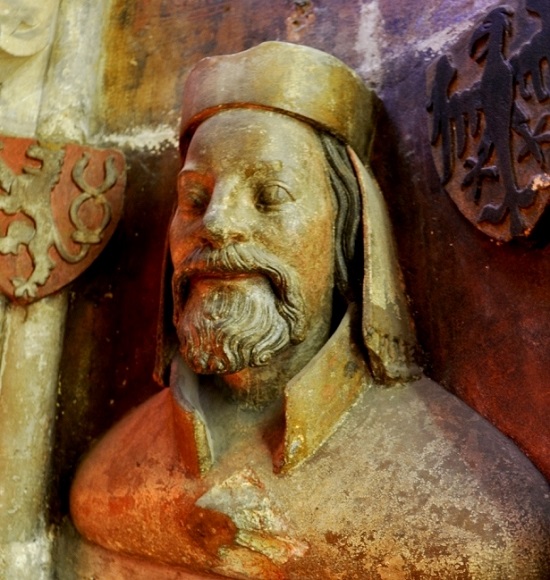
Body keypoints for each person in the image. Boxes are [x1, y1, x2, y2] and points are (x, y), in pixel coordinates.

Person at [70, 42, 550, 579]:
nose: (217, 224)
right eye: (196, 197)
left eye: (270, 195)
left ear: (346, 233)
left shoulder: (471, 510)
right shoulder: (110, 474)